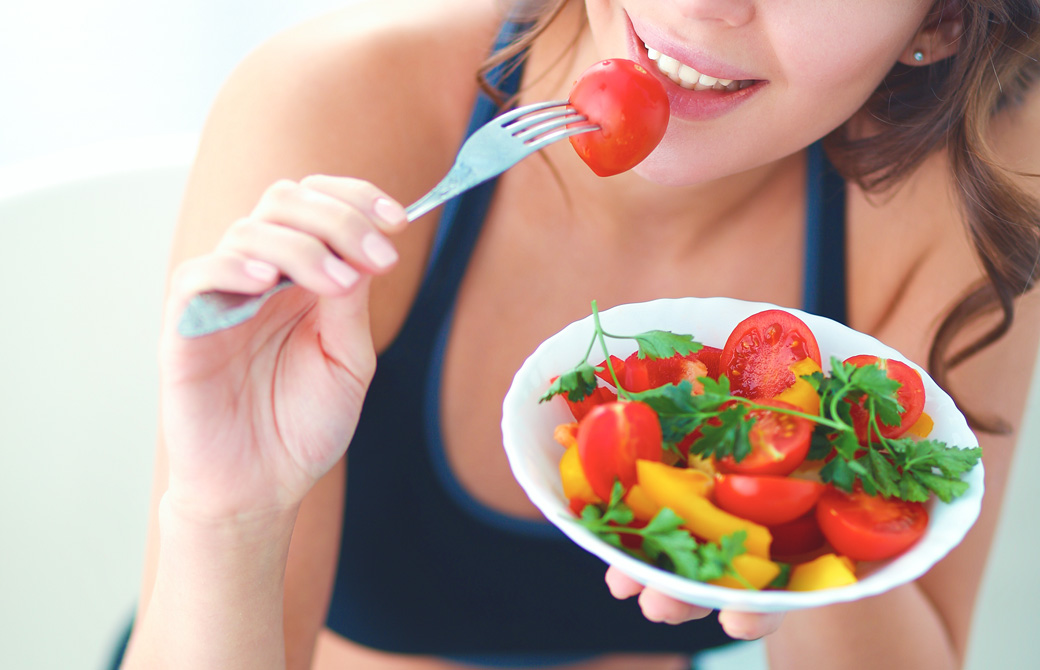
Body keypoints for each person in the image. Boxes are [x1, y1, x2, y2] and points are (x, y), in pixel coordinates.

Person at [118, 0, 1040, 668]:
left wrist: (799, 529)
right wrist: (229, 517)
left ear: (943, 22)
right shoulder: (340, 98)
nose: (702, 7)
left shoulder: (984, 183)